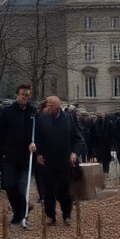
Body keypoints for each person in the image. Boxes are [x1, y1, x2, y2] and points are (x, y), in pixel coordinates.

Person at [34, 96, 82, 225]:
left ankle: (67, 214)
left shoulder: (68, 118)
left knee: (63, 189)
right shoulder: (41, 119)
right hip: (46, 160)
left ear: (58, 106)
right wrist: (37, 154)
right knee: (48, 190)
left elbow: (77, 138)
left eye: (51, 105)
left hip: (64, 160)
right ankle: (50, 215)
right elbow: (35, 140)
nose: (48, 107)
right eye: (48, 105)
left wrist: (74, 153)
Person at [0, 84, 40, 227]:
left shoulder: (33, 112)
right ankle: (22, 208)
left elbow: (38, 133)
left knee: (22, 187)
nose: (25, 97)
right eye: (22, 94)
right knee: (9, 185)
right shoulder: (6, 112)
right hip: (10, 156)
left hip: (27, 157)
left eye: (27, 95)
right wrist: (1, 151)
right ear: (17, 94)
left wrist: (35, 145)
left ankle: (19, 214)